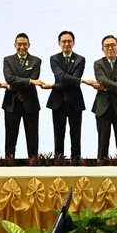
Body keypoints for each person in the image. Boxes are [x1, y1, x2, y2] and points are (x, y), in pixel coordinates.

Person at [2, 33, 49, 158]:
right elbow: (9, 78)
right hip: (11, 103)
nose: (22, 47)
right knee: (10, 136)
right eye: (19, 44)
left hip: (30, 103)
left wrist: (20, 83)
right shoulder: (8, 60)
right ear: (14, 45)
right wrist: (29, 81)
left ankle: (33, 162)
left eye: (24, 44)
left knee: (32, 136)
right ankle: (9, 162)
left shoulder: (36, 60)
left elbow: (34, 78)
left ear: (29, 45)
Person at [46, 30, 86, 159]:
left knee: (76, 135)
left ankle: (76, 161)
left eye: (69, 41)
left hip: (75, 102)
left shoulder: (80, 59)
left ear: (73, 43)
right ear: (59, 43)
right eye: (64, 41)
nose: (66, 44)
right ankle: (59, 161)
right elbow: (61, 76)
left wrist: (53, 85)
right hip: (58, 102)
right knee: (58, 134)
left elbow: (74, 80)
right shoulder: (54, 58)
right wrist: (78, 81)